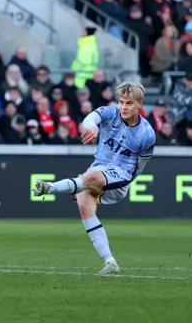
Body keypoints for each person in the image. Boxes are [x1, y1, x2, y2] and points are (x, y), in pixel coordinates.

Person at [32, 82, 155, 275]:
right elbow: (91, 118)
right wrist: (93, 128)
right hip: (99, 167)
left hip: (121, 175)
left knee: (89, 177)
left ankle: (51, 188)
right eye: (121, 102)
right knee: (83, 202)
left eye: (129, 103)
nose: (123, 107)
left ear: (139, 104)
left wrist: (126, 180)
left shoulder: (147, 134)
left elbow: (140, 166)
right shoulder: (111, 112)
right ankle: (110, 261)